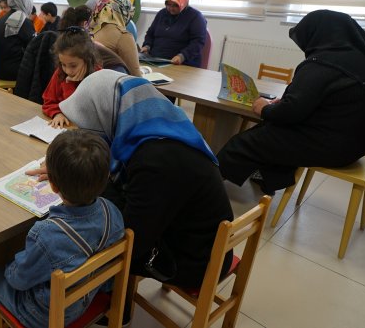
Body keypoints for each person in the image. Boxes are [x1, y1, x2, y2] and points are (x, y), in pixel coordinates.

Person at [31, 69, 234, 290]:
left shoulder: (157, 161)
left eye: (90, 123)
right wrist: (66, 169)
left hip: (193, 260)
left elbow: (130, 241)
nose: (89, 132)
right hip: (181, 231)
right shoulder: (157, 123)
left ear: (107, 113)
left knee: (83, 248)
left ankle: (112, 310)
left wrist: (73, 178)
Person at [218, 10, 365, 195]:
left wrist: (264, 109)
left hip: (334, 148)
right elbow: (333, 103)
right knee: (271, 133)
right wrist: (286, 103)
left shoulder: (322, 64)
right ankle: (267, 178)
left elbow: (291, 112)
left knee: (244, 142)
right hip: (359, 145)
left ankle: (209, 182)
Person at [0, 130, 125, 328]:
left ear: (52, 185)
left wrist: (10, 266)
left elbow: (18, 280)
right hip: (91, 295)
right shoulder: (112, 211)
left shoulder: (45, 235)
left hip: (46, 314)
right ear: (106, 177)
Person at [42, 27, 100, 128]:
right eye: (63, 64)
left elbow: (79, 113)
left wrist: (69, 85)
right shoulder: (60, 73)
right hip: (66, 128)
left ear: (87, 59)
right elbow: (48, 101)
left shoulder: (98, 77)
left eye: (73, 66)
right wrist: (57, 113)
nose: (68, 71)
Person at [141, 0, 207, 67]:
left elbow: (198, 42)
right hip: (155, 61)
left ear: (183, 3)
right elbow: (150, 33)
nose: (171, 8)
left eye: (175, 5)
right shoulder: (162, 13)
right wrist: (147, 46)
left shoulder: (195, 17)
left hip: (181, 64)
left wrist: (182, 56)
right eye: (168, 5)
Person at [90, 0, 142, 77]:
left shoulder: (88, 32)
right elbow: (136, 76)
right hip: (112, 87)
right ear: (124, 11)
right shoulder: (123, 36)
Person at [0, 0, 36, 80]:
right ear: (24, 2)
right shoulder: (22, 20)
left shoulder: (2, 19)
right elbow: (34, 45)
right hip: (12, 72)